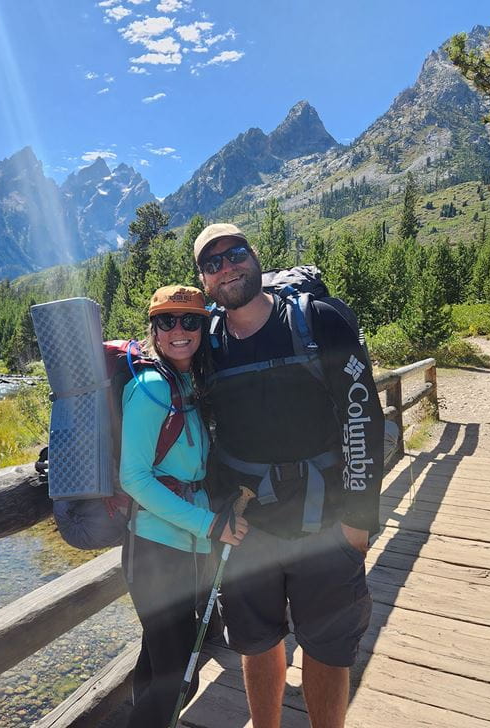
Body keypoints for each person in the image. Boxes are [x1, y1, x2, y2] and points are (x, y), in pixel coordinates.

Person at [193, 223, 383, 728]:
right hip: (248, 528)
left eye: (234, 254)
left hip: (327, 520)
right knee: (258, 643)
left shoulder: (318, 322)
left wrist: (359, 521)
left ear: (254, 256)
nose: (226, 267)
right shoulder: (206, 345)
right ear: (204, 281)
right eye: (212, 264)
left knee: (328, 648)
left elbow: (363, 415)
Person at [119, 284, 249, 728]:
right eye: (167, 321)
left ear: (202, 327)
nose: (179, 330)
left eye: (190, 321)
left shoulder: (190, 382)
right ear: (153, 329)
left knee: (158, 665)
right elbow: (133, 477)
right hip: (155, 551)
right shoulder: (151, 388)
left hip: (187, 547)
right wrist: (208, 524)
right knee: (179, 679)